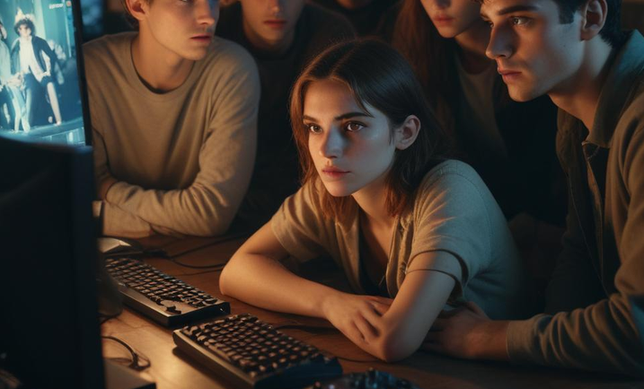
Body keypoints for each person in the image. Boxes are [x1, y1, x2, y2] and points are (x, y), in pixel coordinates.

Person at [424, 0, 644, 377]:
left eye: (520, 19)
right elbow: (580, 250)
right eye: (490, 23)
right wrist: (534, 346)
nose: (494, 48)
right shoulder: (574, 102)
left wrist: (489, 338)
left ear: (590, 17)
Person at [220, 39, 530, 362]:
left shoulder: (450, 191)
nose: (327, 150)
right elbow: (237, 271)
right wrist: (330, 303)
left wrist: (340, 309)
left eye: (352, 125)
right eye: (314, 127)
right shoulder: (331, 186)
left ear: (405, 133)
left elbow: (393, 341)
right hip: (434, 377)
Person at [393, 0, 565, 267]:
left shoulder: (531, 49)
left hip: (544, 232)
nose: (436, 1)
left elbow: (556, 174)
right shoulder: (415, 49)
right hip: (465, 223)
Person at [84, 0, 260, 238]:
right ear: (138, 5)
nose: (209, 16)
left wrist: (109, 190)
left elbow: (210, 216)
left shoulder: (232, 69)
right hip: (105, 257)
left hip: (196, 259)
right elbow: (79, 200)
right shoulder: (91, 67)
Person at [216, 0, 354, 227]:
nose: (276, 5)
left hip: (314, 210)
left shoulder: (333, 36)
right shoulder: (214, 37)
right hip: (223, 208)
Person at [10, 14, 62, 129]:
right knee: (30, 103)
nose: (24, 30)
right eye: (22, 28)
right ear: (18, 30)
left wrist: (48, 71)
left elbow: (52, 57)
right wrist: (17, 75)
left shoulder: (38, 41)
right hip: (28, 77)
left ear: (30, 28)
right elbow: (13, 63)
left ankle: (59, 121)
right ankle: (28, 131)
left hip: (42, 73)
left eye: (27, 27)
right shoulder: (17, 45)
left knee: (50, 86)